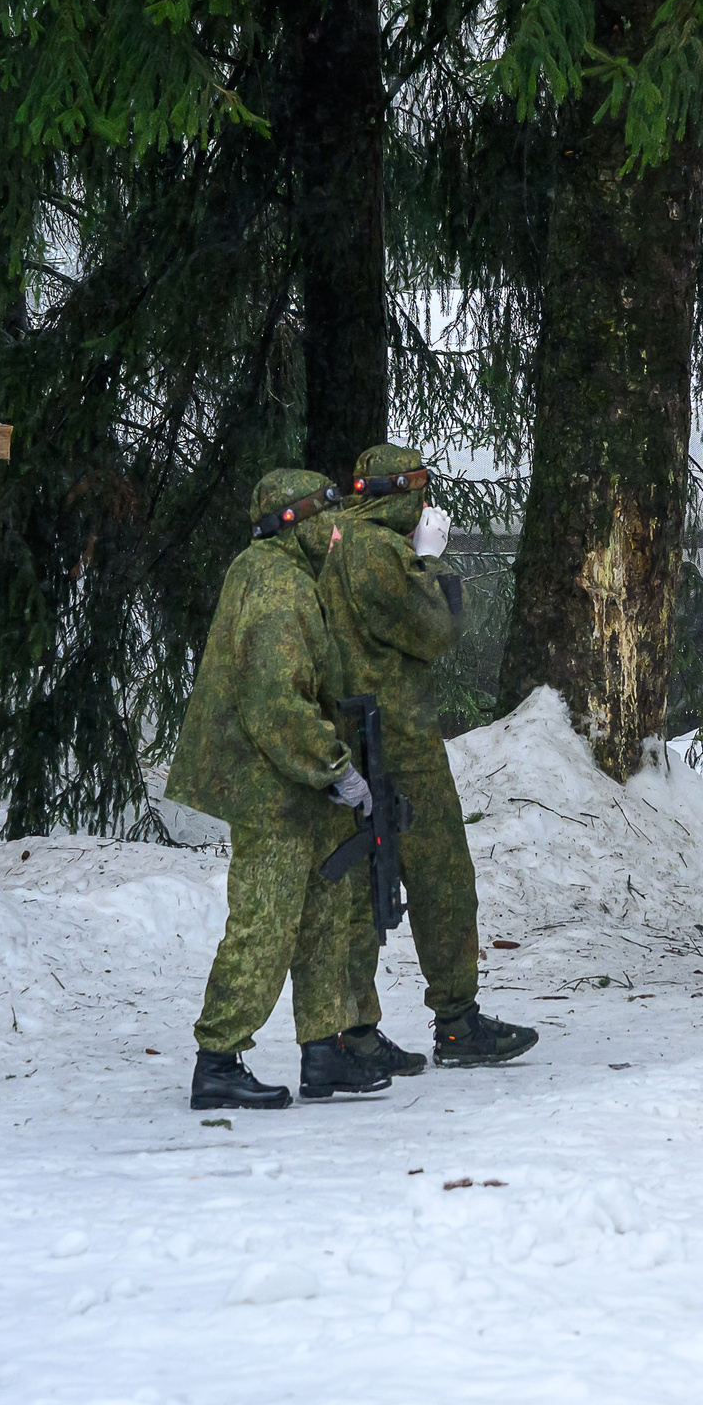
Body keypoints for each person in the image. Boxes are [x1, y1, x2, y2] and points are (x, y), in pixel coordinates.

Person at [168, 469, 391, 1111]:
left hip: (295, 786)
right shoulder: (273, 584)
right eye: (325, 514)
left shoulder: (287, 575)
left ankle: (324, 1052)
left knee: (321, 914)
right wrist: (335, 766)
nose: (337, 527)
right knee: (265, 921)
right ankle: (219, 1059)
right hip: (273, 788)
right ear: (292, 521)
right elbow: (275, 704)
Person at [317, 444, 538, 1069]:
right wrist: (433, 563)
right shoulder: (380, 551)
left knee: (361, 889)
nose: (426, 503)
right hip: (397, 738)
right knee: (440, 875)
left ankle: (351, 1033)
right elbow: (435, 629)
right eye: (420, 489)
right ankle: (457, 1025)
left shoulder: (334, 540)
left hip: (352, 731)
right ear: (400, 493)